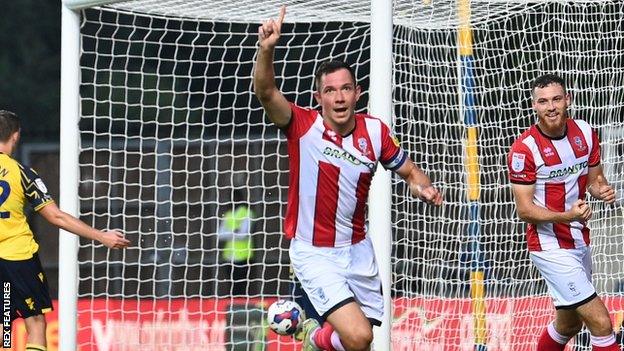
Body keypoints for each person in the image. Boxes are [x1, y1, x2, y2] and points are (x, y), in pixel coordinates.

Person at [254, 7, 442, 351]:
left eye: (345, 89)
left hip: (358, 252)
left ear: (357, 93)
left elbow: (409, 170)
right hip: (314, 252)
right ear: (318, 98)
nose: (338, 98)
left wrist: (423, 187)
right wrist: (267, 49)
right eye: (330, 91)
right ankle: (309, 334)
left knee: (358, 345)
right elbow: (267, 94)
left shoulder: (375, 132)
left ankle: (317, 339)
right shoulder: (302, 126)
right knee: (358, 337)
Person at [0, 110, 130, 351]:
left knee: (3, 328)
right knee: (36, 325)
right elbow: (56, 216)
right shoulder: (23, 173)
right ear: (15, 136)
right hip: (16, 257)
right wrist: (101, 236)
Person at [507, 74, 618, 351]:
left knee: (569, 325)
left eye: (556, 99)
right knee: (601, 322)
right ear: (534, 106)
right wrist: (567, 216)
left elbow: (595, 181)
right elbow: (525, 210)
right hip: (549, 247)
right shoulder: (524, 149)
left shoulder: (584, 132)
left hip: (579, 240)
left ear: (567, 100)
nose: (551, 107)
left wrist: (601, 191)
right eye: (543, 101)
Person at [217, 187, 255, 296]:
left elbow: (243, 234)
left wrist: (230, 233)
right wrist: (234, 232)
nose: (234, 199)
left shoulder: (247, 213)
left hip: (244, 256)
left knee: (242, 286)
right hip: (229, 256)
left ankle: (242, 310)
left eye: (236, 197)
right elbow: (220, 235)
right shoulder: (229, 214)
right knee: (231, 287)